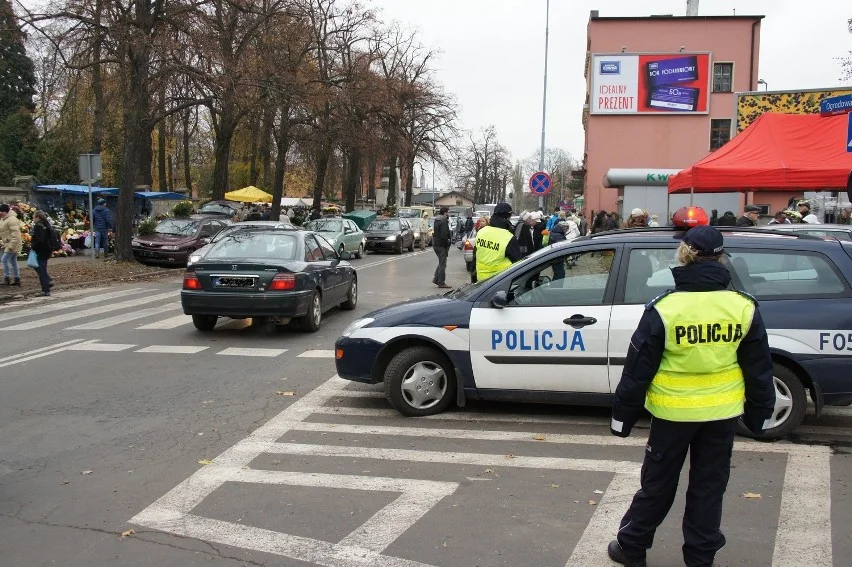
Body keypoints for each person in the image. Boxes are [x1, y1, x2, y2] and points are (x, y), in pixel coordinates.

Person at [607, 225, 775, 567]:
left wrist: (621, 418)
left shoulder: (665, 308)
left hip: (672, 415)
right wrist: (759, 414)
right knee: (709, 487)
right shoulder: (742, 307)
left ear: (684, 255)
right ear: (721, 258)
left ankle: (632, 547)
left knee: (657, 485)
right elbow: (759, 368)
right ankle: (700, 558)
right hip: (721, 415)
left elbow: (638, 369)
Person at [474, 202, 523, 281]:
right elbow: (518, 263)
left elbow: (475, 257)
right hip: (500, 282)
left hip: (481, 280)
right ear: (507, 217)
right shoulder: (508, 237)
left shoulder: (481, 232)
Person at [30, 211, 55, 296]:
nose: (33, 219)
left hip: (41, 251)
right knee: (39, 268)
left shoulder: (38, 226)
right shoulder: (46, 225)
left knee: (41, 269)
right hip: (47, 250)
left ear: (38, 217)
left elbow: (40, 240)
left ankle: (46, 289)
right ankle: (48, 281)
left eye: (34, 217)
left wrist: (33, 246)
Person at [0, 203, 22, 286]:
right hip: (8, 243)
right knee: (13, 261)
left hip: (12, 244)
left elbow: (15, 235)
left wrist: (11, 246)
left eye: (2, 211)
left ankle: (7, 278)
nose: (0, 213)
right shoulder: (3, 219)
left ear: (6, 211)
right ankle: (17, 279)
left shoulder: (11, 219)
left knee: (4, 260)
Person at [432, 206, 452, 288]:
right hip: (441, 245)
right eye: (448, 212)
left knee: (441, 263)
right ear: (445, 212)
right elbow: (444, 235)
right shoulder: (443, 221)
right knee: (443, 264)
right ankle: (441, 282)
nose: (449, 214)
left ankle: (436, 279)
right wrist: (447, 244)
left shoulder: (437, 220)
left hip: (436, 244)